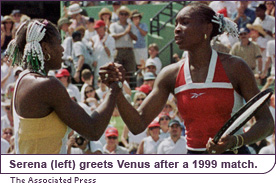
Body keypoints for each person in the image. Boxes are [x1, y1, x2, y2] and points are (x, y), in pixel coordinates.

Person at [101, 3, 274, 154]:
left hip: (234, 159)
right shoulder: (170, 74)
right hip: (193, 160)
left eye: (185, 22)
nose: (176, 28)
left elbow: (267, 122)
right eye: (176, 23)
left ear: (207, 28)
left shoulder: (236, 67)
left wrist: (236, 141)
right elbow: (137, 124)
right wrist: (115, 88)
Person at [5, 19, 123, 154]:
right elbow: (93, 130)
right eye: (59, 43)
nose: (62, 49)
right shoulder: (47, 86)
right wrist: (114, 87)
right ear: (45, 48)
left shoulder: (22, 78)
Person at [109, 6, 138, 88]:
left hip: (129, 50)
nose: (123, 16)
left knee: (129, 72)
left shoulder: (131, 26)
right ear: (118, 15)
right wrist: (125, 32)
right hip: (119, 50)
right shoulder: (114, 25)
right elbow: (113, 36)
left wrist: (129, 32)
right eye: (121, 14)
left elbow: (136, 38)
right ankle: (119, 88)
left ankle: (128, 88)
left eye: (125, 14)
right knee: (118, 71)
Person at [91, 20, 116, 86]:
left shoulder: (110, 39)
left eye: (98, 28)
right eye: (96, 29)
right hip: (97, 70)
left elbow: (110, 54)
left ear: (103, 28)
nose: (97, 30)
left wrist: (104, 45)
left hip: (107, 69)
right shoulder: (94, 38)